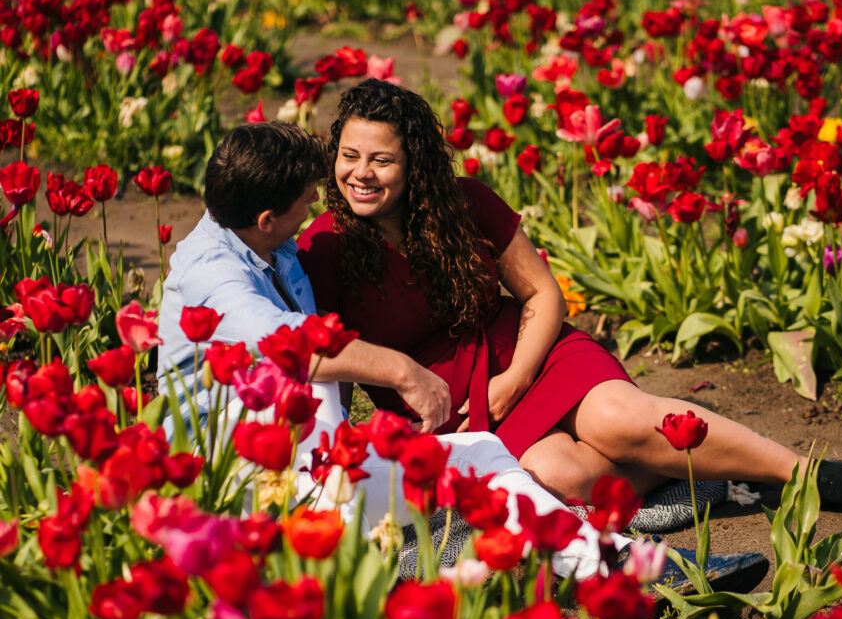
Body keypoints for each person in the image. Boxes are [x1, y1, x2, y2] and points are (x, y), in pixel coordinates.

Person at [155, 120, 771, 591]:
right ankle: (615, 568)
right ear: (267, 217)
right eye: (306, 198)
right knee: (494, 478)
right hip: (258, 491)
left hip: (320, 463)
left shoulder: (266, 241)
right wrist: (404, 372)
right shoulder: (213, 276)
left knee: (483, 455)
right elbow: (289, 345)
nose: (318, 201)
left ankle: (624, 567)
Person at [297, 79, 842, 522]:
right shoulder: (324, 248)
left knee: (617, 422)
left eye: (382, 159)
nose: (361, 173)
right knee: (555, 477)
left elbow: (542, 293)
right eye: (349, 156)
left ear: (416, 165)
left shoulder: (463, 203)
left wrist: (515, 378)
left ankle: (803, 473)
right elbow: (329, 366)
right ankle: (704, 462)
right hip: (449, 411)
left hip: (525, 354)